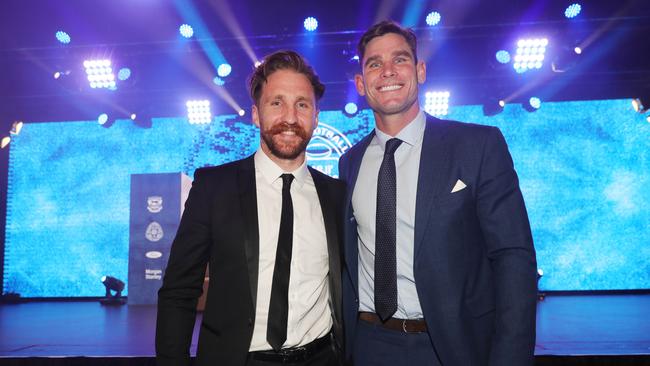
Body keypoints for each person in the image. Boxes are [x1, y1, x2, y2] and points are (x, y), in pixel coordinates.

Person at [338, 20, 538, 366]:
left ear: (420, 71)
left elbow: (513, 257)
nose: (387, 71)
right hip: (369, 344)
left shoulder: (477, 146)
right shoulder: (350, 162)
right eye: (374, 64)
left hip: (453, 348)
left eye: (399, 60)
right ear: (360, 83)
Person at [156, 50, 345, 366]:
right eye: (276, 103)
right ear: (256, 114)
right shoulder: (213, 187)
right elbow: (179, 290)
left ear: (316, 116)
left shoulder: (336, 195)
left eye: (302, 104)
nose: (289, 117)